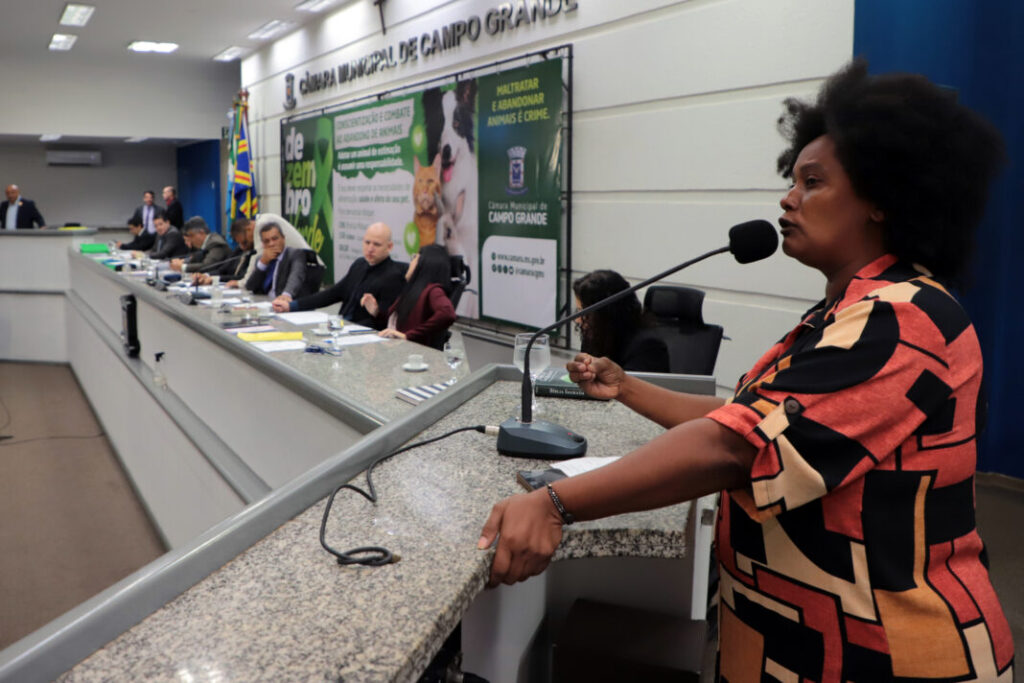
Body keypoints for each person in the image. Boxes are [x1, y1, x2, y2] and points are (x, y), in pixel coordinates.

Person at [477, 61, 1015, 681]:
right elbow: (749, 422)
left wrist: (555, 504)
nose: (788, 198)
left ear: (881, 200)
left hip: (885, 653)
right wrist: (624, 386)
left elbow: (736, 449)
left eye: (813, 182)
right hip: (795, 644)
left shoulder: (904, 318)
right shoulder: (841, 315)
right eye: (792, 179)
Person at [272, 222, 406, 329]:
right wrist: (292, 306)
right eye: (367, 242)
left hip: (361, 337)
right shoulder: (359, 264)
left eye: (376, 244)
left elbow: (387, 322)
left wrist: (376, 312)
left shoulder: (393, 276)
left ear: (389, 247)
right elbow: (332, 294)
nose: (370, 248)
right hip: (341, 327)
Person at [573, 269, 670, 372]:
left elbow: (630, 386)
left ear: (606, 313)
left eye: (584, 313)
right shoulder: (595, 337)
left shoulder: (647, 347)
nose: (578, 320)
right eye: (578, 311)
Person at [363, 243, 456, 349]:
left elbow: (447, 314)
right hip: (394, 348)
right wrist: (376, 313)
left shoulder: (433, 290)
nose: (410, 263)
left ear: (424, 263)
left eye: (414, 258)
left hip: (409, 353)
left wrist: (409, 336)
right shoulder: (412, 289)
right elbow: (395, 325)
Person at [244, 222, 313, 299]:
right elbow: (250, 287)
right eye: (267, 241)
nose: (271, 244)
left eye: (275, 239)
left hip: (285, 303)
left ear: (283, 238)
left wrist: (286, 295)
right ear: (263, 244)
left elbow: (296, 277)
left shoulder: (295, 254)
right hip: (266, 302)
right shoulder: (261, 259)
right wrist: (263, 263)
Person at [192, 217, 256, 285]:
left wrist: (215, 279)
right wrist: (206, 275)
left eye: (245, 242)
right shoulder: (239, 249)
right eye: (239, 243)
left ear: (250, 232)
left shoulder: (254, 252)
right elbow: (223, 269)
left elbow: (242, 277)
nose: (243, 247)